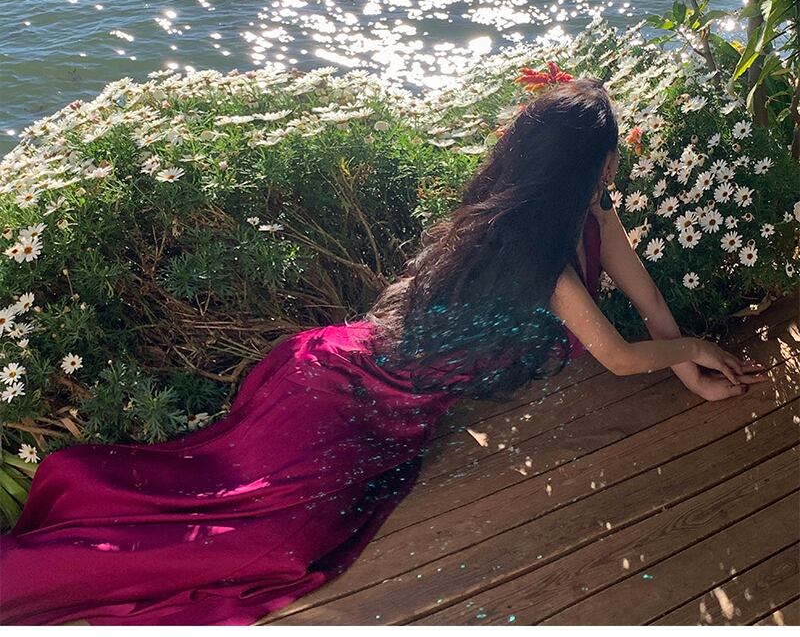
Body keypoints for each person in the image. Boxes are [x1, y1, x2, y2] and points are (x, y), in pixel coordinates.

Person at [0, 72, 768, 626]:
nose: (613, 166)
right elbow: (620, 357)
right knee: (270, 544)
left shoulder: (592, 220)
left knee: (268, 535)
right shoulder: (537, 257)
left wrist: (691, 372)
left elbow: (651, 310)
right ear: (588, 165)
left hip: (388, 407)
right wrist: (694, 348)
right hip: (343, 392)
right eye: (607, 154)